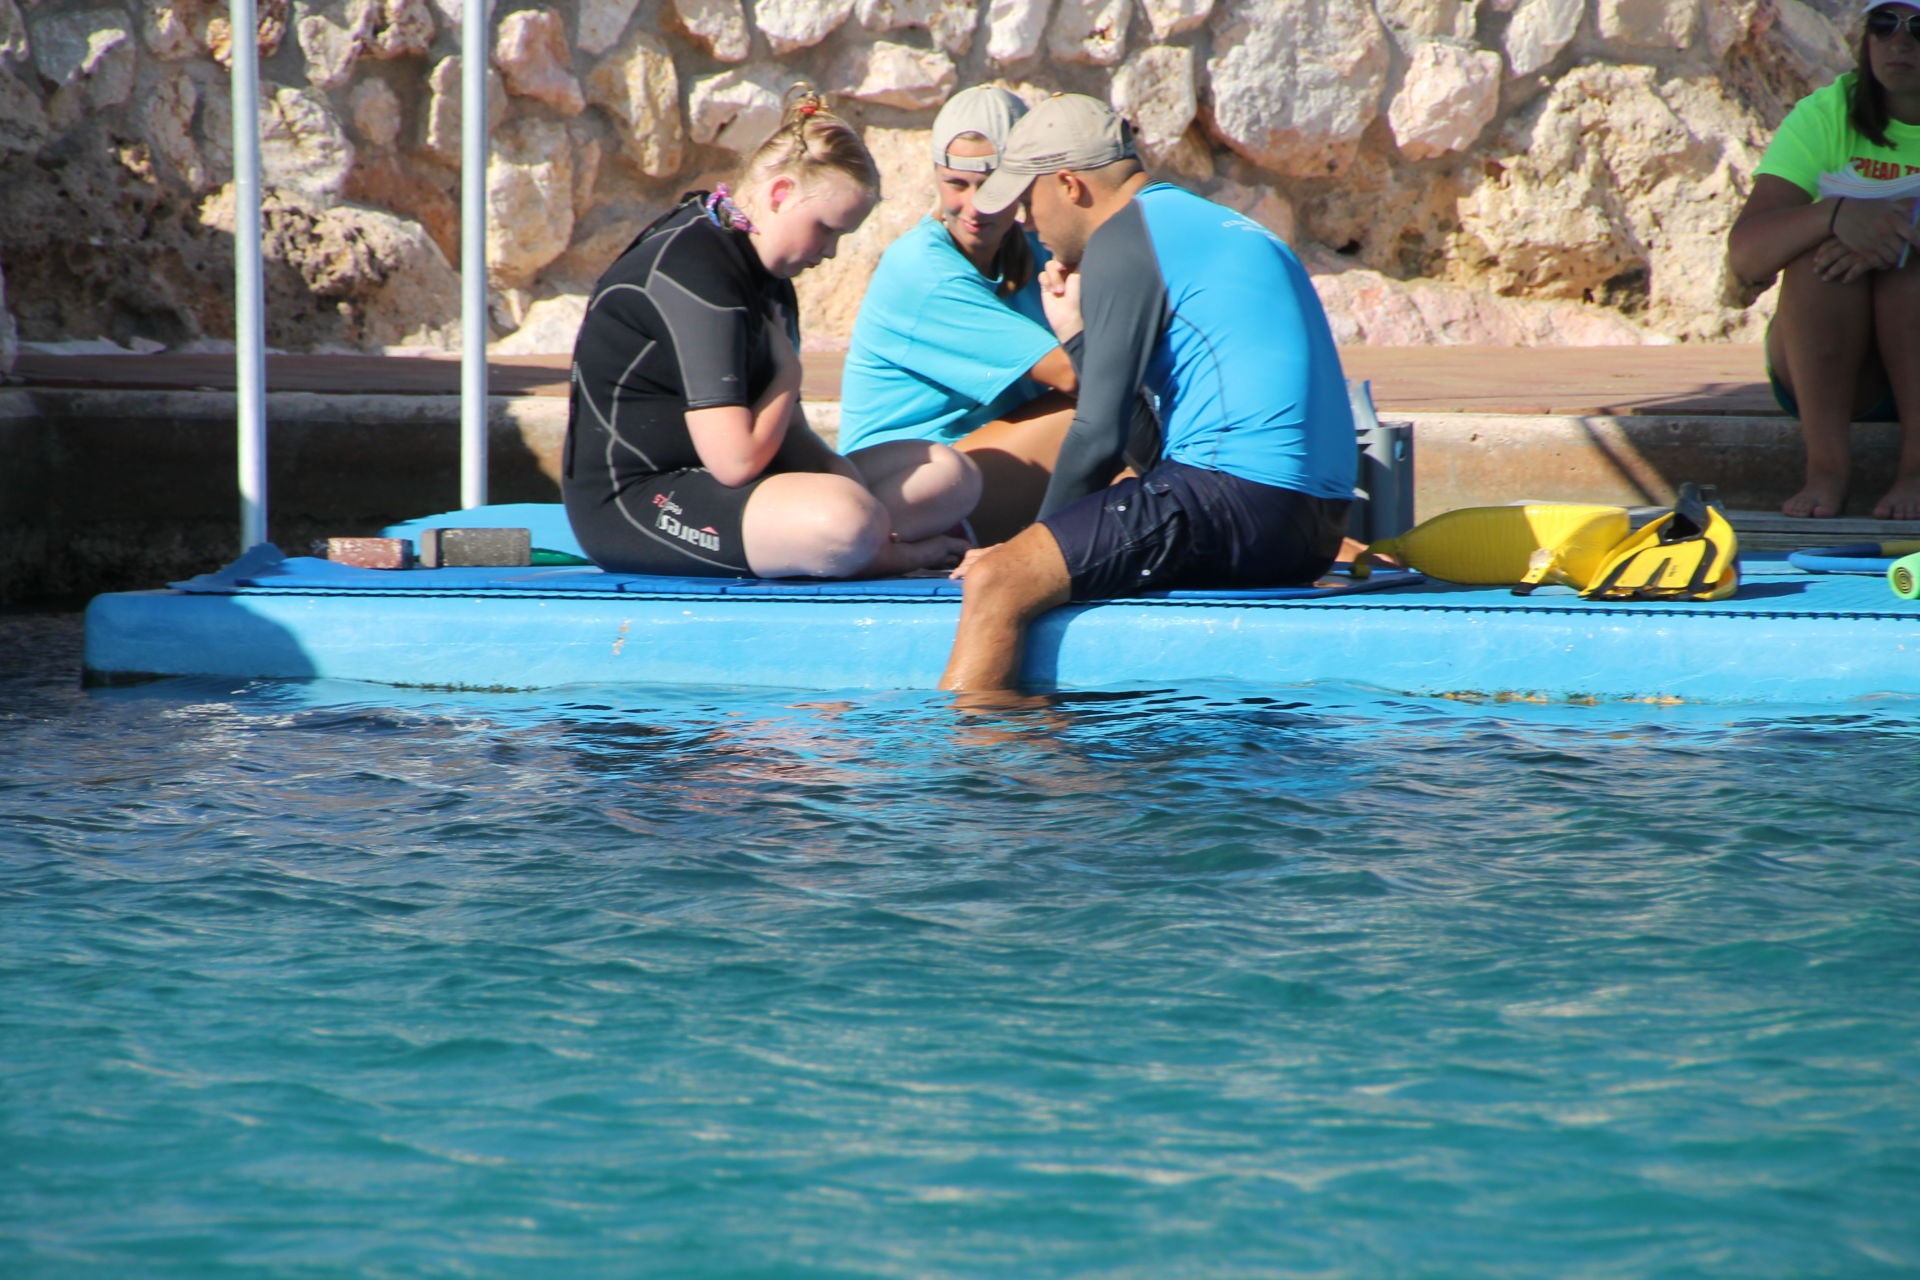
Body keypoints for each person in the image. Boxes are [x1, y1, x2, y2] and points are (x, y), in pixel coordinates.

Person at [936, 95, 1357, 694]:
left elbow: (1098, 434)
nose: (1026, 222)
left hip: (1237, 500)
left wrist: (1030, 557)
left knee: (999, 581)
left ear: (1069, 185)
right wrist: (1077, 338)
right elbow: (1152, 455)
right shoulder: (1221, 228)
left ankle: (980, 756)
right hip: (1311, 529)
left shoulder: (1121, 238)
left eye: (1029, 200)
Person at [563, 87, 979, 579]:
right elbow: (736, 462)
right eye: (826, 229)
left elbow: (792, 433)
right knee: (844, 521)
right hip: (643, 501)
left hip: (738, 488)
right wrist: (788, 376)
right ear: (780, 194)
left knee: (949, 475)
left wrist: (849, 482)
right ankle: (888, 556)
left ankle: (864, 541)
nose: (830, 252)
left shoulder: (767, 275)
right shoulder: (694, 274)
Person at [836, 86, 1082, 546]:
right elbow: (1076, 374)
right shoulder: (924, 272)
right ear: (935, 175)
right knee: (1096, 412)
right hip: (906, 495)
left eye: (991, 186)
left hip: (970, 469)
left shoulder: (1034, 250)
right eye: (957, 184)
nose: (975, 207)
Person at [1727, 0, 1920, 520]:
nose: (1900, 42)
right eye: (1884, 24)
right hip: (1837, 374)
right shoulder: (1828, 113)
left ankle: (1917, 471)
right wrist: (1834, 216)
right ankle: (1826, 470)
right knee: (1818, 265)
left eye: (1919, 27)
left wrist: (1900, 234)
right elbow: (1745, 259)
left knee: (1910, 275)